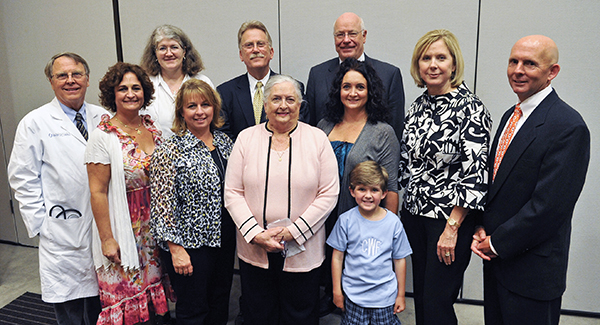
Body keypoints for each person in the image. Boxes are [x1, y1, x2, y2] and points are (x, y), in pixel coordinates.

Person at [471, 35, 590, 325]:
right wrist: (481, 226)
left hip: (532, 274)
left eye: (530, 63)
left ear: (552, 72)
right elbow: (498, 186)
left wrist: (496, 242)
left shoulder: (568, 127)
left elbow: (549, 207)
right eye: (513, 61)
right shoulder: (509, 117)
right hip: (498, 267)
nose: (518, 70)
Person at [224, 75, 339, 325]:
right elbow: (232, 192)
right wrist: (255, 234)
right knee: (258, 313)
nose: (283, 105)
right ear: (265, 105)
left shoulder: (317, 139)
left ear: (300, 105)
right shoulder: (245, 138)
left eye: (290, 99)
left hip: (302, 248)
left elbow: (329, 193)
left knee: (300, 314)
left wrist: (293, 232)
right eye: (276, 99)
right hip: (254, 247)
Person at [398, 29, 492, 325]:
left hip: (449, 220)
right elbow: (407, 164)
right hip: (414, 215)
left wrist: (452, 227)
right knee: (423, 298)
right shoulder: (417, 106)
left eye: (441, 57)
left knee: (438, 301)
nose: (433, 64)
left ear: (454, 64)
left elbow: (476, 173)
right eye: (426, 58)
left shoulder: (471, 108)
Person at [7, 52, 102, 325]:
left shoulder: (103, 116)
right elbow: (22, 178)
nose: (70, 81)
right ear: (51, 81)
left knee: (101, 307)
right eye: (62, 75)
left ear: (87, 79)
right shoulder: (34, 123)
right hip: (60, 229)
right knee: (70, 310)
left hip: (102, 229)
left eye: (77, 74)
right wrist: (41, 225)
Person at [86, 62, 170, 324]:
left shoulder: (152, 128)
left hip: (153, 229)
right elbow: (97, 191)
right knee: (126, 300)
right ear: (113, 95)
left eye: (136, 87)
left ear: (144, 91)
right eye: (123, 89)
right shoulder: (103, 136)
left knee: (153, 298)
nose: (131, 94)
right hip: (125, 230)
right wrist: (107, 239)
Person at [317, 57, 400, 315]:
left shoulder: (382, 132)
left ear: (370, 91)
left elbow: (392, 187)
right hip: (322, 218)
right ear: (338, 91)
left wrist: (388, 232)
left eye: (360, 87)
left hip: (362, 222)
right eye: (346, 86)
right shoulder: (323, 127)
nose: (352, 93)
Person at [150, 79, 235, 325]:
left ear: (214, 108)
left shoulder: (224, 143)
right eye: (192, 106)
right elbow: (162, 205)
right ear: (181, 112)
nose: (200, 112)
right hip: (190, 245)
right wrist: (176, 250)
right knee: (193, 310)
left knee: (220, 302)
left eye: (205, 105)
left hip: (224, 239)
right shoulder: (169, 150)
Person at [327, 161, 412, 325]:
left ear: (384, 193)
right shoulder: (345, 221)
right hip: (353, 296)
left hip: (384, 298)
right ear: (352, 191)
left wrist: (400, 294)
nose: (368, 195)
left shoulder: (393, 223)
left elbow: (400, 259)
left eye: (374, 190)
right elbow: (337, 257)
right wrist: (337, 291)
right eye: (362, 189)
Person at [306, 12, 405, 140]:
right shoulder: (317, 75)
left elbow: (395, 130)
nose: (346, 40)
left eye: (352, 34)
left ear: (364, 36)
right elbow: (311, 128)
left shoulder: (389, 75)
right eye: (340, 35)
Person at [217, 20, 308, 141]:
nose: (255, 50)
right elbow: (224, 138)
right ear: (241, 55)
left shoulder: (293, 88)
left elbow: (299, 131)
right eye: (249, 45)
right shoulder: (225, 93)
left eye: (260, 44)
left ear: (271, 52)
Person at [141, 24, 214, 138]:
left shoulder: (203, 82)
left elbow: (214, 123)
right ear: (155, 53)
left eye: (174, 47)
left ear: (184, 51)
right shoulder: (145, 86)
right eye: (162, 48)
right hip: (157, 153)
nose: (169, 53)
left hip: (198, 152)